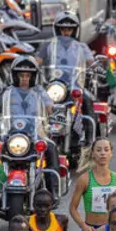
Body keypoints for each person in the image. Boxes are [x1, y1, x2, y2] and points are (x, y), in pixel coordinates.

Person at [0, 55, 58, 204]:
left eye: (28, 75)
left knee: (51, 147)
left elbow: (50, 107)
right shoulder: (7, 92)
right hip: (10, 135)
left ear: (33, 76)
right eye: (21, 75)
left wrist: (56, 114)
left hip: (35, 135)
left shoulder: (40, 91)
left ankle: (52, 191)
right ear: (15, 76)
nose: (24, 79)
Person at [36, 10, 98, 152]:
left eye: (69, 29)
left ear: (74, 30)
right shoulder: (48, 45)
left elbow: (90, 61)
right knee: (35, 101)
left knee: (87, 100)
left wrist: (96, 66)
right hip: (53, 87)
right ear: (57, 29)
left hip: (74, 86)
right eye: (63, 29)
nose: (66, 32)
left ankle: (90, 141)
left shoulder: (81, 47)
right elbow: (37, 61)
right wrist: (31, 65)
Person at [69, 138, 116, 231]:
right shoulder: (84, 179)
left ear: (111, 153)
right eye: (99, 150)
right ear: (93, 154)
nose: (103, 153)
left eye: (106, 150)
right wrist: (83, 226)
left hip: (113, 230)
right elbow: (73, 208)